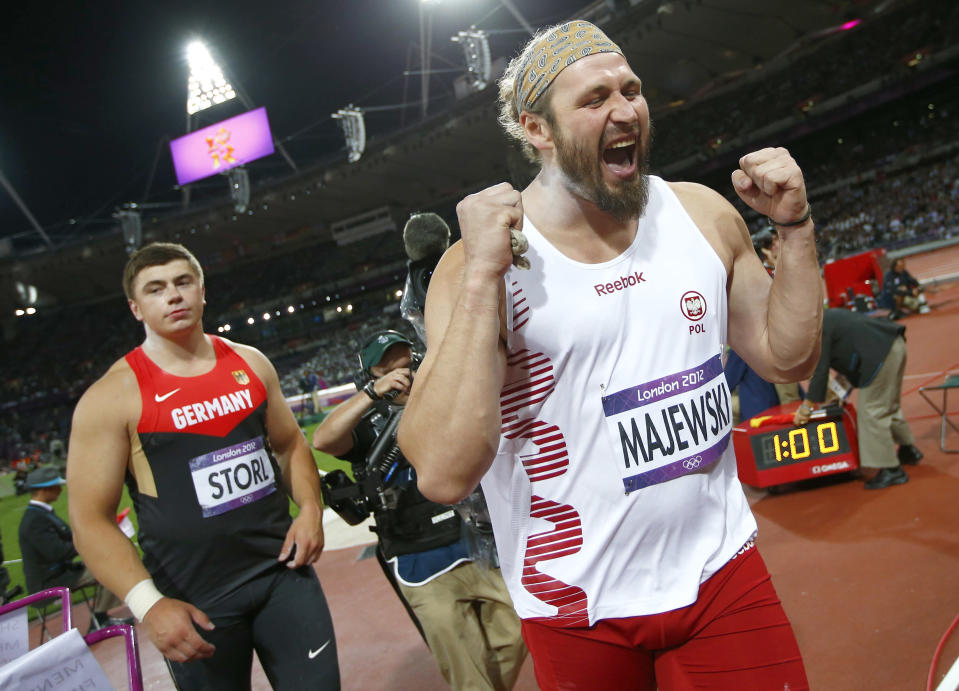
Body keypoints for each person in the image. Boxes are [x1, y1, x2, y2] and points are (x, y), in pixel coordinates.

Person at [397, 20, 822, 690]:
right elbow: (444, 473)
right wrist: (481, 276)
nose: (624, 110)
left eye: (631, 89)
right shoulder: (481, 264)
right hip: (575, 607)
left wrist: (793, 228)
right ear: (535, 129)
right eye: (594, 99)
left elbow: (785, 358)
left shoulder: (702, 215)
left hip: (721, 574)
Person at [65, 242, 339, 690]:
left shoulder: (250, 363)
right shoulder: (112, 397)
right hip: (194, 601)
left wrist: (310, 509)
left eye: (182, 282)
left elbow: (290, 444)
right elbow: (89, 522)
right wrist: (148, 604)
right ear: (136, 308)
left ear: (202, 291)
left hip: (283, 576)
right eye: (155, 289)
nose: (173, 295)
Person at [313, 330, 527, 690]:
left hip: (479, 544)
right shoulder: (368, 426)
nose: (403, 373)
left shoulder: (448, 399)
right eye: (388, 369)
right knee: (464, 667)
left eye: (407, 362)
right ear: (371, 376)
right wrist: (372, 396)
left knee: (521, 631)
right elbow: (323, 439)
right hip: (420, 558)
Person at [792, 308, 923, 489]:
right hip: (893, 345)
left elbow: (820, 371)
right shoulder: (826, 317)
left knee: (872, 411)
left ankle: (891, 470)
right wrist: (834, 394)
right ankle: (908, 450)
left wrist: (807, 406)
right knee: (888, 406)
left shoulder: (816, 330)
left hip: (880, 355)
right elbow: (845, 356)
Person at [17, 465, 126, 626]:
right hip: (50, 581)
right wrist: (87, 541)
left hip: (60, 574)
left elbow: (68, 540)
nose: (60, 490)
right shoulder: (35, 519)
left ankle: (100, 619)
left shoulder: (40, 514)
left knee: (109, 564)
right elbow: (57, 552)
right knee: (110, 570)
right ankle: (100, 621)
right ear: (44, 490)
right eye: (56, 487)